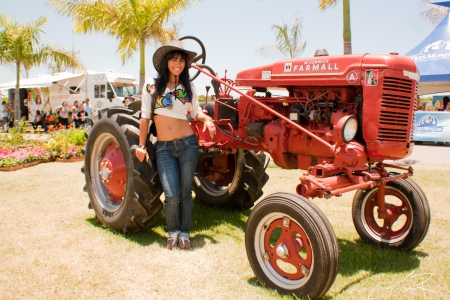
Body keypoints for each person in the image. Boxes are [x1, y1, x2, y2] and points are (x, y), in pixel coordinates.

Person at [136, 39, 216, 250]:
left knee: (184, 193)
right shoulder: (151, 86)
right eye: (174, 59)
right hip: (163, 148)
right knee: (171, 194)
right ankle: (172, 231)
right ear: (166, 62)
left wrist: (206, 119)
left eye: (181, 60)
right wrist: (141, 145)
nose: (178, 64)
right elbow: (145, 117)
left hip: (188, 144)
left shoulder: (188, 87)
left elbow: (195, 111)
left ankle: (185, 233)